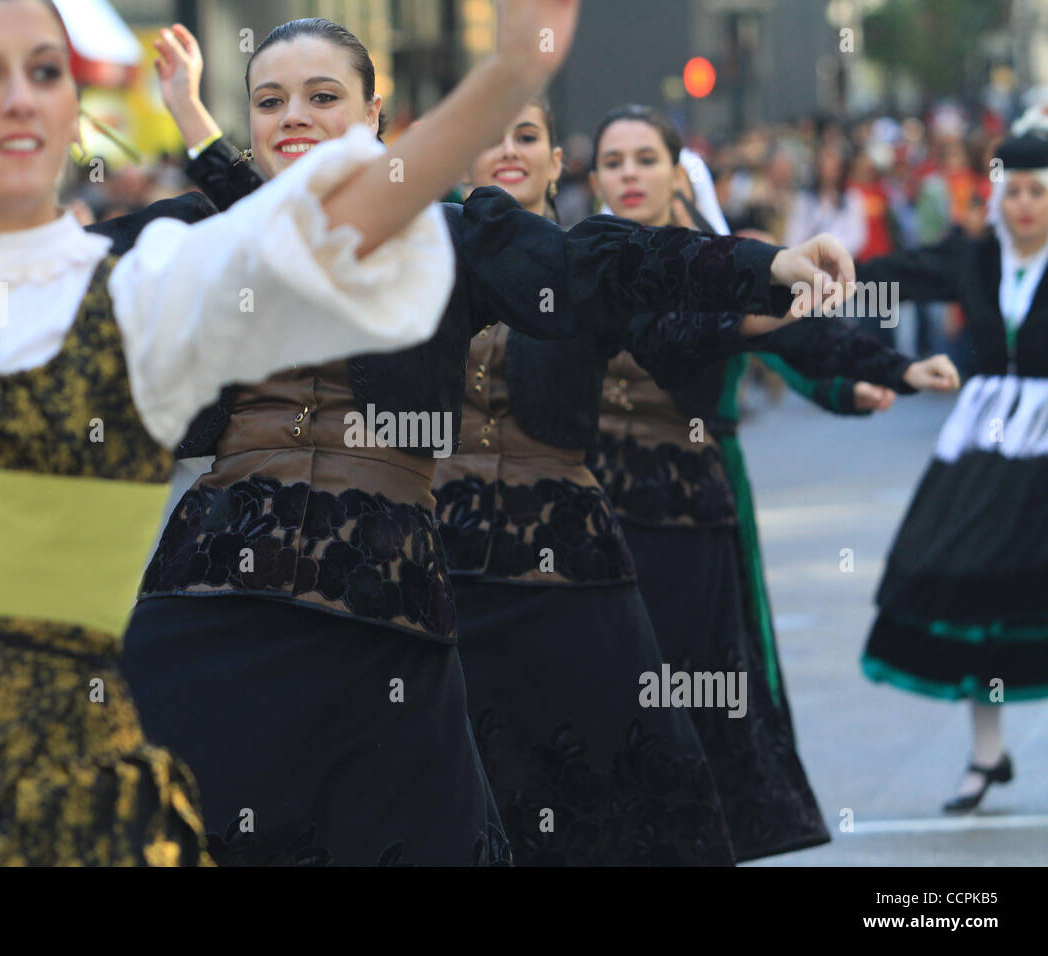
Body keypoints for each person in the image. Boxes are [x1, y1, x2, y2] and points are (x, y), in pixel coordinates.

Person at [0, 0, 570, 865]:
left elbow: (334, 227)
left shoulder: (146, 289)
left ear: (73, 114)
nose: (19, 100)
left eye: (45, 72)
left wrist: (507, 77)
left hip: (71, 792)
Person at [121, 21, 857, 865]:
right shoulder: (196, 230)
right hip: (212, 593)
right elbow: (38, 273)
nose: (294, 116)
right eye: (269, 101)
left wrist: (763, 265)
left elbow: (600, 266)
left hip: (381, 600)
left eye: (322, 97)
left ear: (376, 117)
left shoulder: (454, 236)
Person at [584, 104, 960, 859]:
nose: (630, 173)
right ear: (593, 176)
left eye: (645, 159)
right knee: (610, 696)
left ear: (678, 169)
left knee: (700, 693)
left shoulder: (726, 259)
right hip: (597, 506)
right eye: (614, 160)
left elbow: (798, 331)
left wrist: (882, 372)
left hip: (696, 498)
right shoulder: (575, 259)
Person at [859, 120, 1048, 813]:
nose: (1023, 203)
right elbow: (896, 274)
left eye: (1037, 190)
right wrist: (802, 271)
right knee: (978, 590)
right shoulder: (976, 258)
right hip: (988, 444)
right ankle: (986, 756)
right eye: (1012, 190)